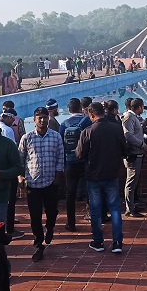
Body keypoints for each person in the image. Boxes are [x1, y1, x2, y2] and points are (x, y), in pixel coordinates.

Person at [76, 102, 127, 253]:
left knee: (96, 210)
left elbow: (79, 154)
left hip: (93, 176)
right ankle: (117, 242)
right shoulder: (116, 128)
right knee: (115, 209)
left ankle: (98, 241)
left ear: (92, 115)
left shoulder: (88, 131)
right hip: (111, 173)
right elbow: (124, 149)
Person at [18, 107, 64, 262]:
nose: (43, 120)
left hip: (50, 181)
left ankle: (50, 228)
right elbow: (21, 159)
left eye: (45, 117)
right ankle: (38, 243)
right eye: (40, 118)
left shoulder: (56, 137)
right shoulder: (27, 138)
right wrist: (20, 177)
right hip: (33, 183)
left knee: (52, 211)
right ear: (34, 119)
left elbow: (60, 158)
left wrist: (58, 177)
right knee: (35, 215)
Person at [60, 98, 91, 232]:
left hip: (70, 162)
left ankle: (71, 222)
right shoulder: (87, 121)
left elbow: (60, 144)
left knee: (70, 193)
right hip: (85, 161)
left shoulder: (64, 124)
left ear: (69, 110)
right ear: (80, 108)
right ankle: (92, 216)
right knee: (91, 191)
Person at [121, 98, 147, 217]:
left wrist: (143, 124)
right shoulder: (129, 117)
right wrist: (142, 144)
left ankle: (132, 205)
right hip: (133, 154)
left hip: (137, 153)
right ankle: (129, 208)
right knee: (131, 182)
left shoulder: (133, 118)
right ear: (139, 107)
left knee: (133, 181)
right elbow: (128, 135)